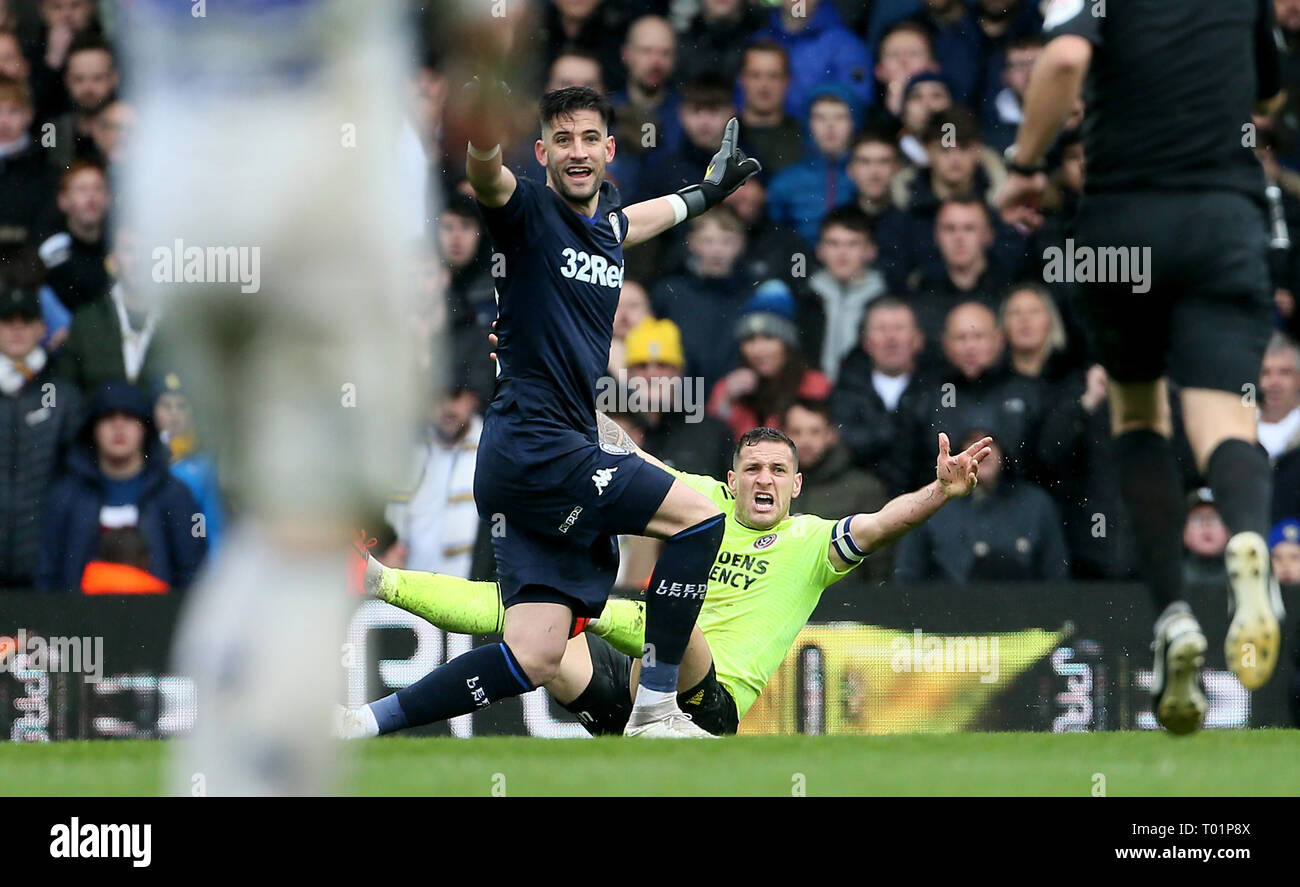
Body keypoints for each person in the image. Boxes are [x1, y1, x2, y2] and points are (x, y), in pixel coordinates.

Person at [997, 0, 1288, 733]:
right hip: (1224, 218)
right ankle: (1246, 534)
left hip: (1124, 227)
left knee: (1136, 409)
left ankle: (1173, 616)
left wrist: (1024, 164)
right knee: (1224, 412)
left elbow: (1064, 60)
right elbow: (1269, 90)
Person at [440, 78, 760, 738]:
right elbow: (486, 175)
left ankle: (366, 720)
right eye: (563, 140)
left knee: (535, 651)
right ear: (543, 151)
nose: (579, 151)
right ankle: (657, 704)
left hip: (558, 444)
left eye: (590, 138)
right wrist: (479, 128)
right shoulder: (526, 210)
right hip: (541, 446)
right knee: (697, 521)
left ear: (611, 149)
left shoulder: (609, 223)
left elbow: (643, 219)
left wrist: (705, 193)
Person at [338, 423, 991, 737]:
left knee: (657, 618)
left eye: (776, 470)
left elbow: (878, 525)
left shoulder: (812, 541)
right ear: (730, 479)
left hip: (707, 704)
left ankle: (653, 689)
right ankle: (380, 590)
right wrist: (540, 373)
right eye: (752, 467)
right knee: (534, 625)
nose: (763, 478)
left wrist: (938, 490)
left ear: (797, 484)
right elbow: (629, 451)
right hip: (629, 689)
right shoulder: (703, 499)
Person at [38, 381, 206, 592]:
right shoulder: (66, 496)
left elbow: (191, 572)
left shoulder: (173, 494)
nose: (118, 426)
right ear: (93, 429)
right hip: (78, 620)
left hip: (156, 619)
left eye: (129, 417)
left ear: (145, 428)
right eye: (108, 418)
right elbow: (48, 573)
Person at [894, 430, 1068, 582]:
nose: (983, 454)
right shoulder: (932, 505)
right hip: (947, 614)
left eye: (989, 443)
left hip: (1024, 614)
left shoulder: (1035, 504)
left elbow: (1056, 577)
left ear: (1004, 451)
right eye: (972, 443)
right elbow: (907, 578)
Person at [0, 283, 81, 589]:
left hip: (44, 563)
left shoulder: (65, 394)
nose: (17, 329)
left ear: (42, 327)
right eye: (8, 321)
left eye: (27, 320)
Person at [784, 398, 893, 584]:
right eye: (796, 432)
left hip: (843, 604)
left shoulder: (863, 490)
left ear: (831, 435)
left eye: (815, 432)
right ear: (784, 435)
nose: (805, 441)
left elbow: (879, 565)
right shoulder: (770, 486)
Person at [831, 296, 929, 495]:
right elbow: (842, 443)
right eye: (881, 329)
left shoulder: (937, 388)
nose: (891, 338)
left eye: (899, 328)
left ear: (917, 339)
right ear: (866, 341)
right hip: (858, 503)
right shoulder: (845, 389)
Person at [709, 282, 831, 439]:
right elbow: (712, 440)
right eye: (750, 339)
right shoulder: (728, 388)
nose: (758, 349)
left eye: (768, 338)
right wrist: (726, 401)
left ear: (787, 344)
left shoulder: (816, 386)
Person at [808, 205, 887, 382]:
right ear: (819, 250)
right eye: (833, 243)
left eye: (853, 244)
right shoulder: (804, 298)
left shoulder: (885, 300)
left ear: (870, 251)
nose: (842, 253)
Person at [37, 158, 110, 314]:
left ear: (108, 198)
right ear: (63, 201)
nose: (91, 198)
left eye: (98, 188)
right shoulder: (51, 251)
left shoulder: (121, 246)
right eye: (81, 189)